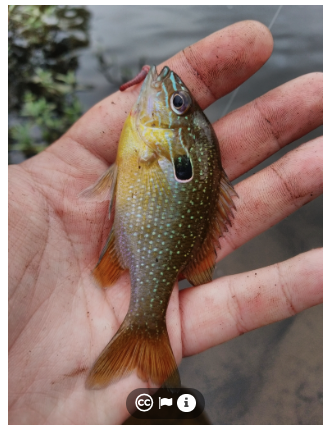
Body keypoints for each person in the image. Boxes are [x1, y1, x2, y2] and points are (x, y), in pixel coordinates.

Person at [8, 21, 322, 424]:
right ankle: (154, 362)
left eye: (176, 106)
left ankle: (146, 330)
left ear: (177, 133)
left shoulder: (146, 142)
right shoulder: (150, 142)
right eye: (180, 103)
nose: (167, 89)